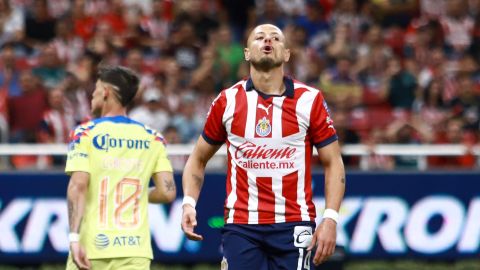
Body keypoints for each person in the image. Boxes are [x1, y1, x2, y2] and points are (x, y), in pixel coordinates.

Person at [181, 24, 345, 269]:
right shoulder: (227, 100)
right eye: (259, 37)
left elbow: (334, 162)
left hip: (294, 223)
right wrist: (188, 203)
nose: (267, 41)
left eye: (275, 38)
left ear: (287, 54)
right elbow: (198, 158)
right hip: (241, 226)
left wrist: (330, 218)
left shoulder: (310, 100)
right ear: (246, 53)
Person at [65, 66, 176, 270]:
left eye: (96, 89)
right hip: (134, 251)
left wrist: (73, 238)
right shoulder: (154, 138)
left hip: (91, 248)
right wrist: (140, 192)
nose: (92, 94)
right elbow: (167, 193)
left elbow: (78, 186)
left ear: (106, 92)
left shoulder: (84, 134)